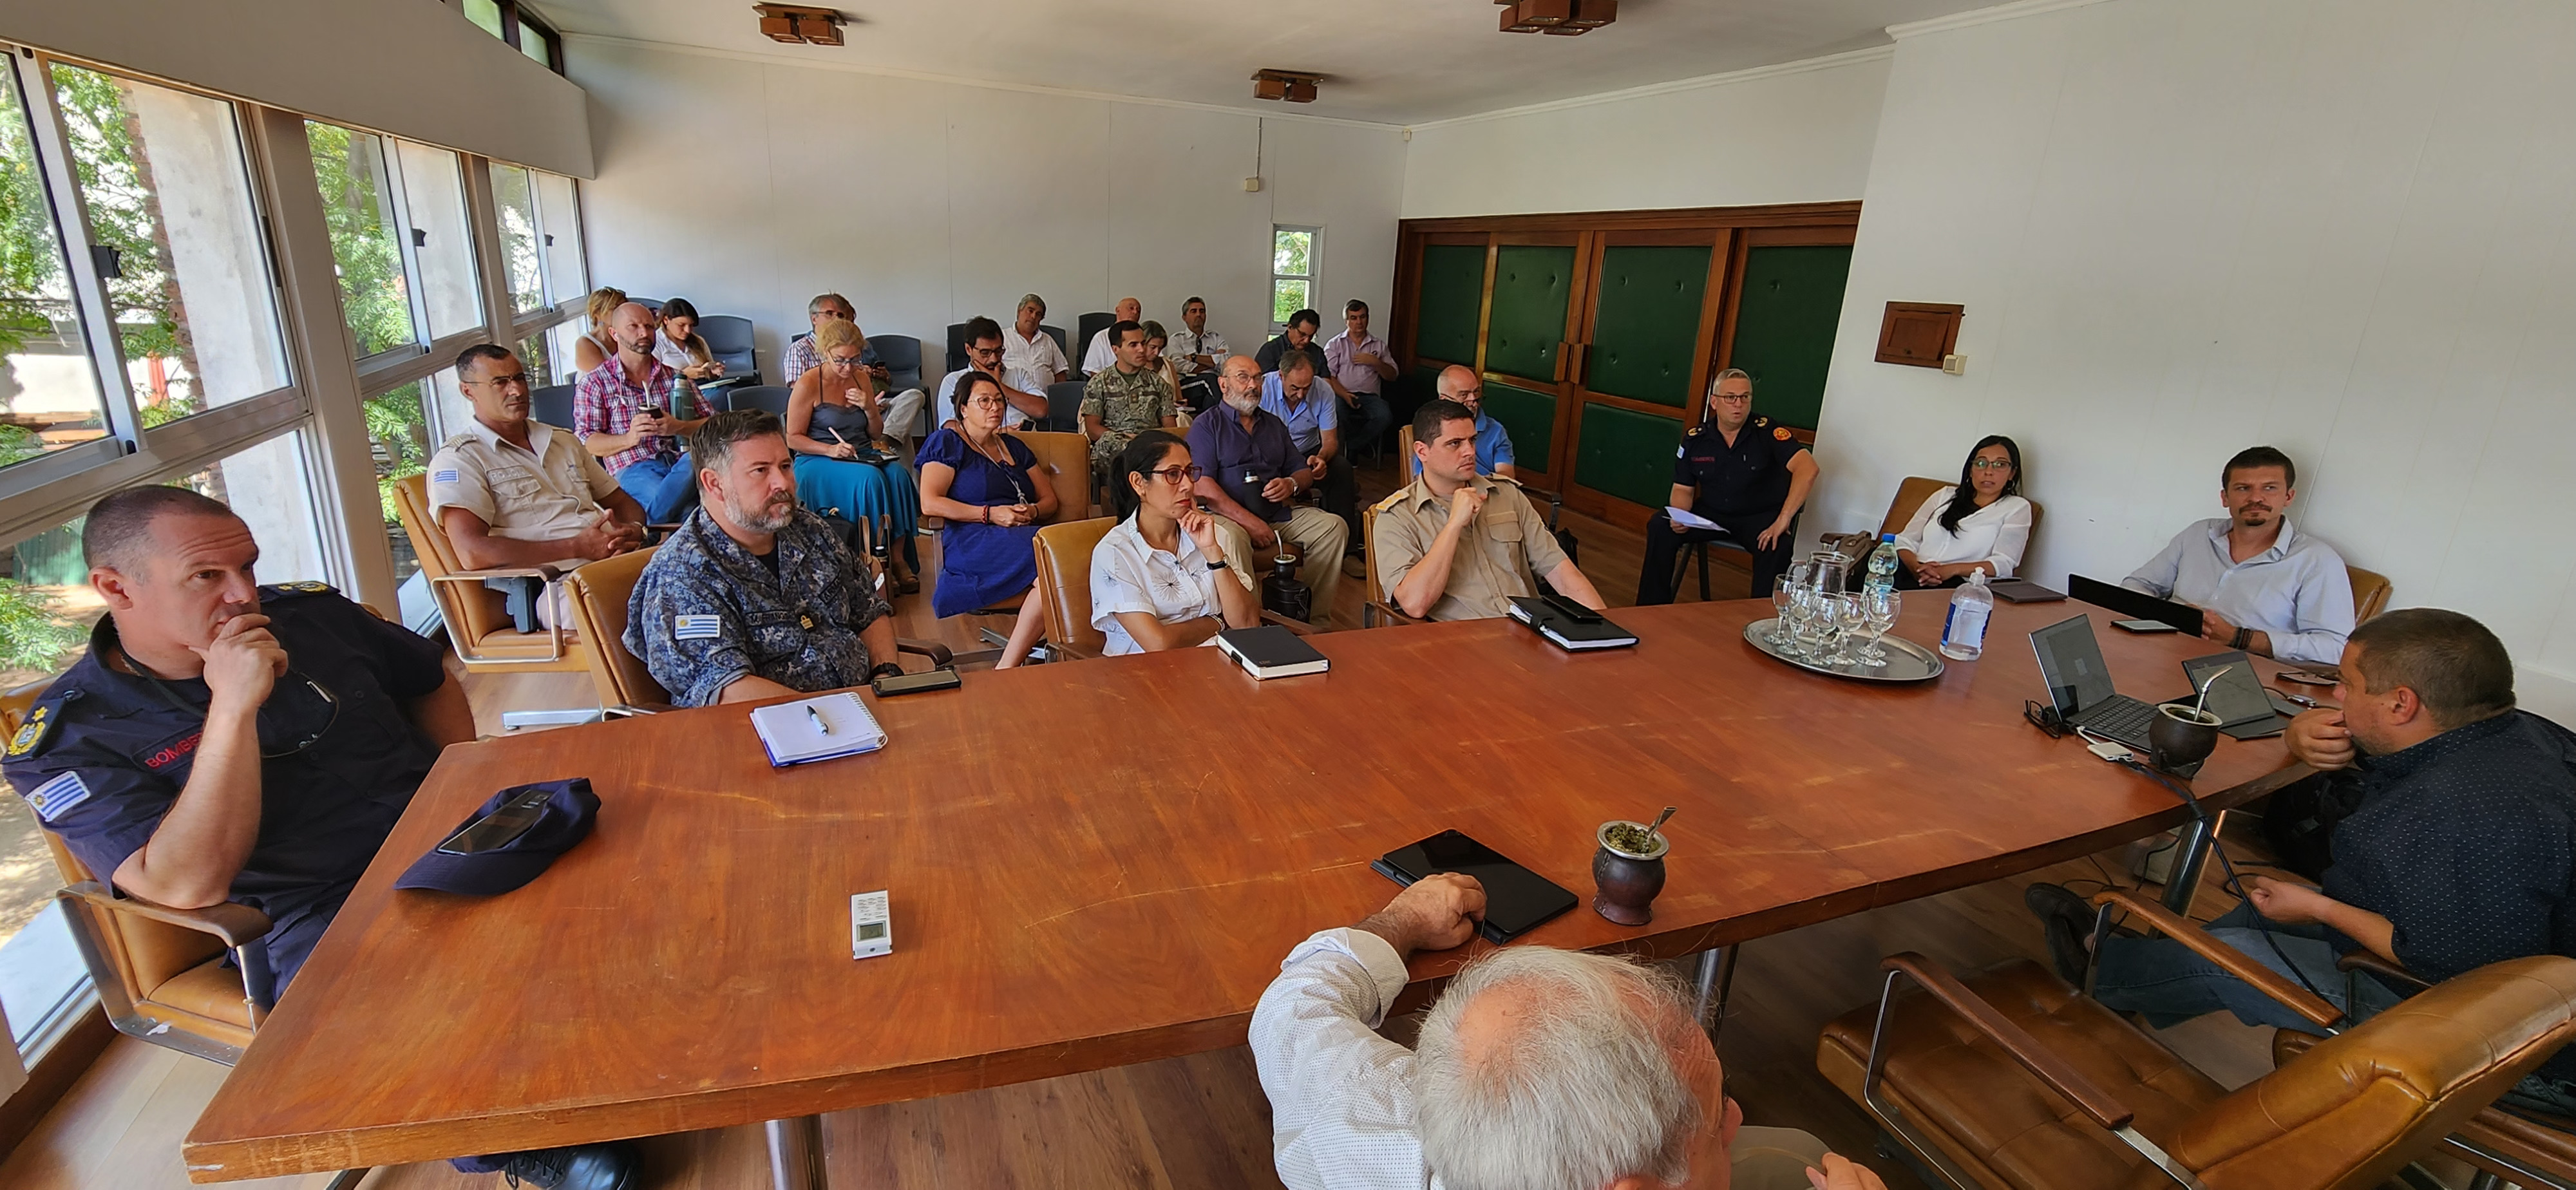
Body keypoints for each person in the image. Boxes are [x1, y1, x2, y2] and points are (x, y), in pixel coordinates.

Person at [0, 487, 636, 1190]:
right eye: (208, 577)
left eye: (247, 566)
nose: (245, 594)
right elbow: (186, 884)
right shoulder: (69, 739)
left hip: (448, 833)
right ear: (116, 587)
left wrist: (451, 786)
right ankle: (506, 1140)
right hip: (310, 910)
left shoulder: (311, 615)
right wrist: (232, 707)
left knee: (648, 850)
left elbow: (429, 679)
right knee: (418, 1003)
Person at [2027, 607, 2576, 1114]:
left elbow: (2449, 964)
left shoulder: (2472, 811)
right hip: (2498, 963)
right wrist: (2299, 733)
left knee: (2236, 955)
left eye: (2347, 684)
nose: (2336, 695)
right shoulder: (2511, 733)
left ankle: (2097, 976)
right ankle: (2123, 974)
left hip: (2511, 1039)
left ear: (2401, 703)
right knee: (2258, 911)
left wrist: (2322, 908)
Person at [1251, 873, 1887, 1190]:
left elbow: (1291, 1012)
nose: (1736, 1118)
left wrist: (1403, 920)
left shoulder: (1364, 1128)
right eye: (1715, 1116)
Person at [625, 411, 905, 708]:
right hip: (762, 735)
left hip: (863, 709)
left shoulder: (809, 530)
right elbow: (726, 688)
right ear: (714, 484)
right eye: (761, 471)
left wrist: (886, 677)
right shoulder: (683, 574)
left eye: (786, 466)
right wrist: (838, 715)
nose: (782, 483)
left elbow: (869, 610)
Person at [427, 345, 647, 628]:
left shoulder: (561, 440)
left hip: (619, 561)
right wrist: (576, 547)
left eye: (519, 378)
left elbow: (622, 502)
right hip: (559, 584)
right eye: (500, 383)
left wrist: (634, 530)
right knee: (653, 610)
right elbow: (472, 552)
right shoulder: (461, 460)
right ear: (468, 391)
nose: (517, 391)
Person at [1376, 397, 1605, 621]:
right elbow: (1415, 604)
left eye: (1472, 441)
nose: (1470, 452)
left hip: (1528, 631)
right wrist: (1454, 525)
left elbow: (1561, 573)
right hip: (1461, 644)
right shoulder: (1397, 516)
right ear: (1422, 451)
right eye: (1455, 443)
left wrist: (1606, 627)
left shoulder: (1507, 494)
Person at [2122, 446, 2353, 666]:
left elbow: (2336, 648)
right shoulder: (2199, 534)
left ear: (2289, 497)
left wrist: (2240, 638)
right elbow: (2137, 584)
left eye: (2269, 488)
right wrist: (2172, 615)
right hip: (2165, 648)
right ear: (2225, 497)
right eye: (2243, 488)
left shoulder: (2316, 560)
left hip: (2242, 671)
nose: (2256, 498)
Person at [1636, 370, 1817, 606]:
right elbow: (1683, 488)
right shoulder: (1696, 439)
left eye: (1745, 397)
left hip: (1758, 517)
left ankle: (1760, 620)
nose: (1738, 404)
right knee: (1660, 525)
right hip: (1712, 514)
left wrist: (1783, 520)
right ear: (1715, 402)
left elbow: (1808, 469)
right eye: (1730, 397)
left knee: (1777, 546)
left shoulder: (1767, 432)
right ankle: (1650, 609)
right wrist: (1680, 514)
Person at [1190, 355, 1347, 626]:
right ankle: (1249, 626)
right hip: (1228, 514)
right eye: (1243, 378)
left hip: (1276, 511)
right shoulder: (1207, 425)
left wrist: (1292, 484)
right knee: (1234, 541)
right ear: (1223, 385)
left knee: (1334, 527)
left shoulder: (1274, 425)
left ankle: (1311, 620)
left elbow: (1302, 471)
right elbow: (1203, 486)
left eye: (1258, 378)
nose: (1253, 385)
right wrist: (1250, 522)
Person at [918, 372, 1059, 668]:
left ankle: (1009, 664)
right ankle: (1012, 666)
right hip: (973, 539)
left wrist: (1030, 512)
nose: (995, 407)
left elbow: (1049, 501)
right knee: (1055, 562)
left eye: (999, 401)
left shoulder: (1014, 447)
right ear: (963, 409)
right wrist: (990, 514)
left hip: (1022, 531)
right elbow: (930, 502)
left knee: (1058, 562)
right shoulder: (948, 443)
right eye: (984, 401)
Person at [1090, 431, 1260, 655]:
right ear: (1139, 483)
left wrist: (1213, 554)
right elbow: (1159, 644)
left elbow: (1247, 624)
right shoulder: (1115, 553)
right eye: (1172, 475)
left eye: (1189, 472)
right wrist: (1218, 622)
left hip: (1218, 667)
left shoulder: (1214, 535)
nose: (1188, 486)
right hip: (1145, 676)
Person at [784, 319, 921, 591]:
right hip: (819, 459)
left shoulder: (861, 377)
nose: (848, 368)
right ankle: (871, 561)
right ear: (825, 353)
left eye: (854, 359)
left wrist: (870, 407)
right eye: (840, 360)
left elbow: (875, 434)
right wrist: (830, 449)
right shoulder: (809, 383)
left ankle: (897, 557)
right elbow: (792, 438)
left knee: (898, 476)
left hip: (861, 452)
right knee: (870, 479)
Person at [574, 301, 708, 524]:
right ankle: (660, 525)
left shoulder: (675, 377)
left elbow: (715, 424)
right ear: (614, 334)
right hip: (633, 467)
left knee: (695, 459)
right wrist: (630, 438)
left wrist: (678, 426)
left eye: (648, 326)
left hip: (681, 462)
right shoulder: (596, 382)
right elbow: (586, 442)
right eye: (633, 327)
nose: (644, 333)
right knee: (691, 513)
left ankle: (647, 527)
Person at [781, 294, 929, 444]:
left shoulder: (855, 348)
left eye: (840, 315)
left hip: (870, 403)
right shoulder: (800, 350)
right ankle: (888, 442)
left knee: (914, 397)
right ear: (814, 319)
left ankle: (887, 440)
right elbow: (797, 393)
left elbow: (885, 384)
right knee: (902, 439)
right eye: (830, 314)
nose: (848, 367)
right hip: (830, 416)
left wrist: (880, 381)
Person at [1889, 435, 2032, 589]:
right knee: (1875, 561)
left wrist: (1950, 570)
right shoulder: (1945, 495)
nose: (1988, 471)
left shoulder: (2017, 508)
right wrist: (1916, 568)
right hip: (1911, 571)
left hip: (1957, 584)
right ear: (1971, 470)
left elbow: (2003, 564)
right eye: (1981, 463)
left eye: (2000, 464)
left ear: (2012, 473)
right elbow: (1905, 540)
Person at [1260, 353, 1358, 546]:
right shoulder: (1263, 388)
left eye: (1307, 388)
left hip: (1307, 452)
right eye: (1295, 388)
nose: (1301, 395)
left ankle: (1347, 548)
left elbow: (1330, 441)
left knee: (1341, 468)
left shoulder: (1323, 390)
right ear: (1281, 376)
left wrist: (1321, 458)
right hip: (1270, 452)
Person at [1080, 319, 1178, 468]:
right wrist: (1125, 440)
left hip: (1149, 446)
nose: (1141, 350)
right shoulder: (1099, 383)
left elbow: (1170, 428)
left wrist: (1144, 442)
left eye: (1143, 343)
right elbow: (1093, 428)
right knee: (1111, 448)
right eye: (1133, 345)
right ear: (1116, 349)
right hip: (1114, 448)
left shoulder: (1159, 384)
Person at [934, 315, 1048, 430]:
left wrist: (999, 386)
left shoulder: (1019, 375)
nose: (994, 359)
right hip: (979, 445)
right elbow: (950, 428)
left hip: (1025, 440)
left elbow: (1041, 411)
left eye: (998, 351)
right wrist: (996, 435)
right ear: (969, 349)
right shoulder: (953, 381)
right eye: (985, 352)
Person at [1407, 365, 1516, 480]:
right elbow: (1421, 480)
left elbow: (1506, 478)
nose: (1473, 401)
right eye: (1464, 395)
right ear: (1444, 400)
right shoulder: (1432, 429)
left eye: (1476, 392)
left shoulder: (1496, 430)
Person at [1321, 299, 1396, 458]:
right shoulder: (1335, 344)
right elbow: (1328, 376)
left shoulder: (1378, 345)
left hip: (1369, 397)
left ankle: (1353, 446)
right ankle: (1347, 452)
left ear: (1368, 318)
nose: (1359, 322)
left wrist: (1377, 363)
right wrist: (1345, 395)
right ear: (1346, 321)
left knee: (1385, 415)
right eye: (1354, 318)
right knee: (1337, 412)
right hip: (1341, 394)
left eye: (1362, 317)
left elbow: (1392, 375)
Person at [1166, 296, 1226, 410]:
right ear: (1184, 317)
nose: (1199, 314)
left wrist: (1194, 358)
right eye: (1194, 311)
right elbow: (1177, 365)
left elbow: (1226, 363)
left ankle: (1211, 424)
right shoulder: (1177, 339)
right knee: (1210, 379)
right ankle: (1227, 417)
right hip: (1186, 385)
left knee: (1210, 399)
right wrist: (1212, 362)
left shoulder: (1215, 338)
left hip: (1210, 387)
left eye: (1202, 311)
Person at [1003, 293, 1073, 392]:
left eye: (1038, 314)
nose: (1033, 316)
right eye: (1030, 311)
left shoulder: (1048, 340)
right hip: (1013, 401)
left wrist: (1058, 398)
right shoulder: (1003, 338)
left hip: (1046, 402)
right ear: (1019, 311)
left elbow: (1060, 371)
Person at [650, 297, 725, 382]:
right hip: (676, 391)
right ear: (666, 320)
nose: (687, 330)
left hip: (704, 387)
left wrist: (713, 372)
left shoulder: (698, 341)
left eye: (691, 325)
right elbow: (653, 381)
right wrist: (683, 375)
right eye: (681, 325)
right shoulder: (655, 343)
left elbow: (709, 372)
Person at [569, 286, 627, 377]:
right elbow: (606, 377)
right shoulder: (584, 344)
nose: (623, 313)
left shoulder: (625, 336)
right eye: (615, 309)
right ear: (597, 314)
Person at [1255, 308, 1329, 377]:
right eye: (1302, 334)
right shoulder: (1270, 351)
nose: (1306, 340)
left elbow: (1326, 382)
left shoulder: (1317, 352)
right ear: (1290, 327)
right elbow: (1264, 384)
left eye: (1311, 336)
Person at [1081, 296, 1144, 375]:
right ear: (1118, 310)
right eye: (1131, 308)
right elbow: (1094, 371)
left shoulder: (1145, 335)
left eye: (1138, 310)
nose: (1135, 312)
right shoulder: (1101, 337)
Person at [1139, 320, 1187, 424]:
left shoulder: (1167, 364)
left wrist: (1180, 403)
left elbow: (1179, 397)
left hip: (1173, 413)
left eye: (1160, 348)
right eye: (1153, 347)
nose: (1156, 353)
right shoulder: (1134, 367)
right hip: (1146, 417)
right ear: (1143, 344)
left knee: (1182, 418)